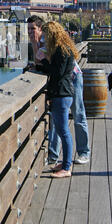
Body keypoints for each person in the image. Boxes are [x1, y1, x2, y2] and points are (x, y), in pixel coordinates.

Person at [27, 16, 90, 165]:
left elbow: (45, 61)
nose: (30, 32)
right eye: (28, 29)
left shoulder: (49, 40)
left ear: (41, 29)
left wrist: (37, 49)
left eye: (33, 29)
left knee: (78, 113)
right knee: (56, 119)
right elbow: (41, 62)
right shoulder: (38, 41)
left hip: (72, 77)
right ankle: (53, 155)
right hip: (61, 79)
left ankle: (83, 152)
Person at [36, 21, 79, 178]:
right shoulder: (64, 48)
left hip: (62, 94)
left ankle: (66, 168)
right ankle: (65, 162)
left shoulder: (61, 50)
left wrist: (44, 60)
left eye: (46, 35)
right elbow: (57, 70)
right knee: (63, 131)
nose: (44, 38)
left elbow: (57, 72)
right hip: (63, 93)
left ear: (52, 34)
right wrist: (41, 66)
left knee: (63, 131)